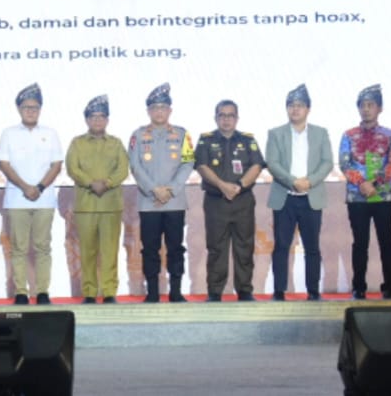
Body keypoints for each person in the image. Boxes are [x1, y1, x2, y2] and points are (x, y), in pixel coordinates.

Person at [265, 85, 334, 301]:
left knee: (312, 247)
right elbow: (272, 163)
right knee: (281, 246)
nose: (295, 109)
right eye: (291, 105)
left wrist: (309, 182)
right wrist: (293, 181)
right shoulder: (275, 134)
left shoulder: (320, 133)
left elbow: (327, 162)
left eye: (300, 105)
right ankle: (279, 291)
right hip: (284, 197)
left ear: (308, 109)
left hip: (311, 197)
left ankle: (313, 291)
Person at [0, 83, 63, 305]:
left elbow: (56, 165)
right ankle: (21, 292)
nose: (30, 111)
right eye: (26, 107)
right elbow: (4, 164)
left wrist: (40, 187)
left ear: (40, 109)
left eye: (34, 107)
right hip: (17, 199)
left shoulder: (50, 133)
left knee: (43, 247)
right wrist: (25, 187)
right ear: (19, 109)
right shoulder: (8, 133)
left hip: (45, 199)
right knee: (18, 248)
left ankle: (42, 291)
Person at [128, 83, 195, 303]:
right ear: (148, 111)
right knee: (150, 249)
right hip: (149, 203)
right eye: (155, 108)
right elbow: (135, 166)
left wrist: (171, 189)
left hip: (174, 202)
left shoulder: (182, 135)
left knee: (176, 248)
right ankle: (153, 292)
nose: (159, 111)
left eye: (163, 107)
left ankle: (176, 291)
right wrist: (154, 190)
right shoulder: (138, 135)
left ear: (170, 110)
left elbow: (188, 163)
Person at [194, 99, 265, 302]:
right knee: (216, 248)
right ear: (216, 118)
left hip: (242, 201)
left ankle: (245, 290)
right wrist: (222, 186)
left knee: (245, 247)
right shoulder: (205, 140)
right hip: (216, 201)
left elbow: (257, 166)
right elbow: (202, 166)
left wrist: (240, 186)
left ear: (237, 118)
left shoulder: (248, 140)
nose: (226, 119)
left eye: (230, 115)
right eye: (222, 115)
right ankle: (215, 292)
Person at [338, 84, 391, 300]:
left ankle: (389, 287)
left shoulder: (390, 135)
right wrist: (362, 183)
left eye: (370, 105)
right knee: (360, 243)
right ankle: (359, 287)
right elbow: (345, 164)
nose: (366, 109)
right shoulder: (348, 135)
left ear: (379, 108)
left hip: (383, 196)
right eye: (362, 105)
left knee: (386, 241)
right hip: (357, 197)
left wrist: (374, 182)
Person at [65, 95, 129, 304]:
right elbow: (72, 168)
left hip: (111, 206)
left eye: (102, 117)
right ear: (86, 120)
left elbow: (123, 169)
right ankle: (90, 292)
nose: (98, 121)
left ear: (107, 120)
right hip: (86, 206)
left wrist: (108, 183)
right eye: (93, 117)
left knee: (110, 252)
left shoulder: (116, 143)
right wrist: (90, 183)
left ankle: (109, 292)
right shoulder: (77, 143)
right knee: (88, 252)